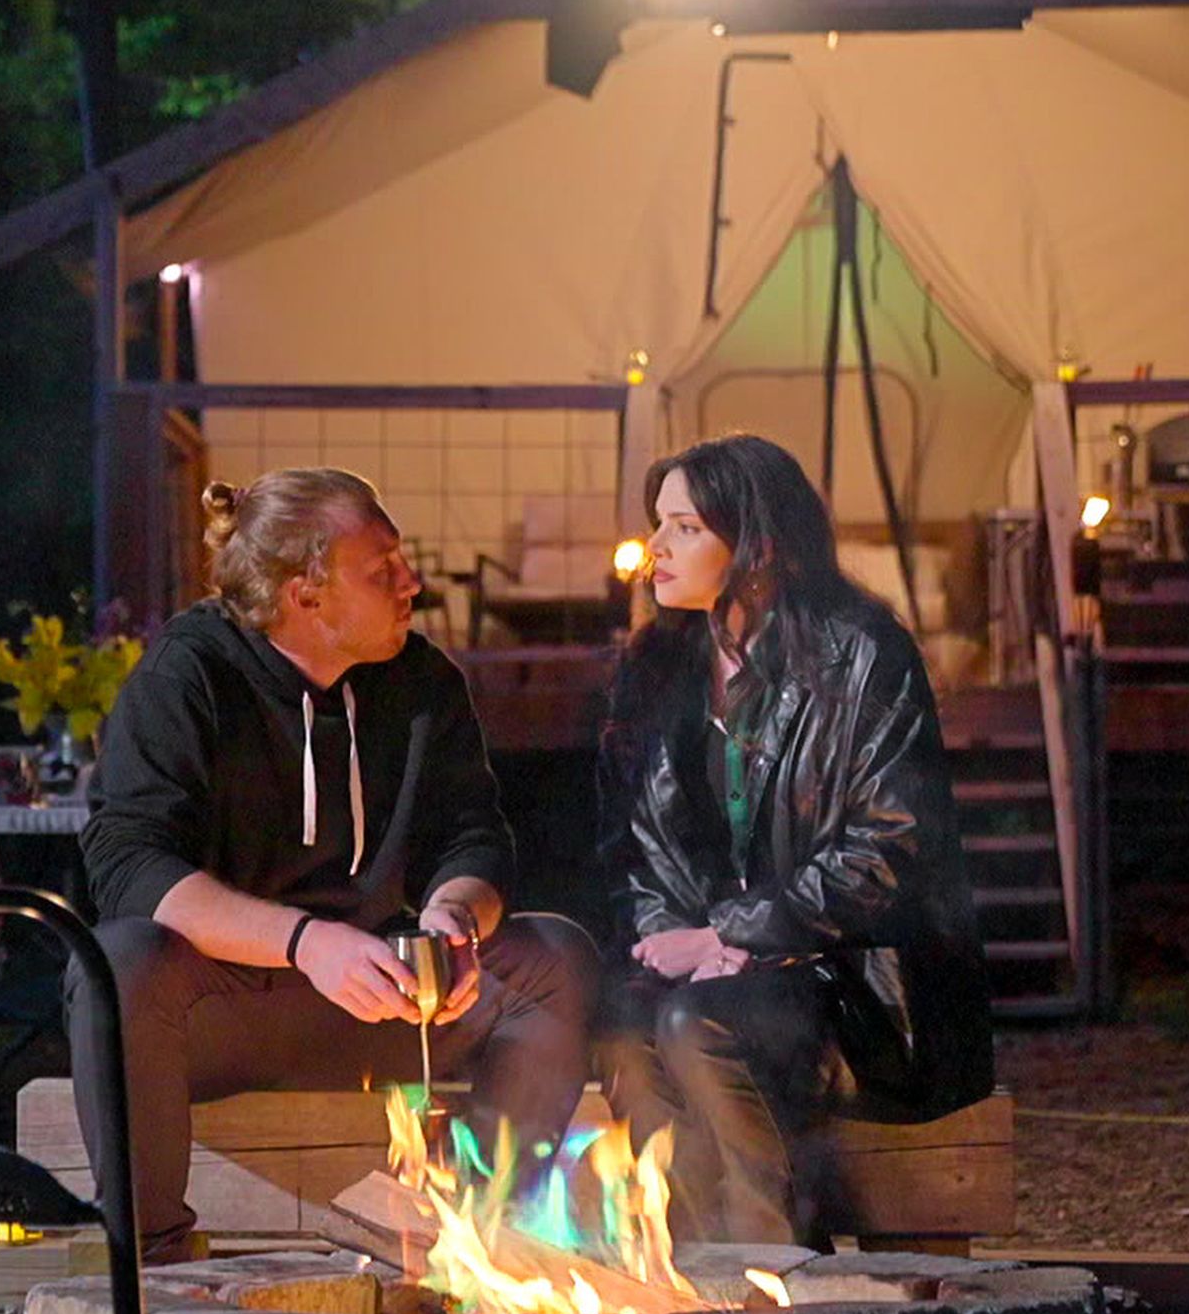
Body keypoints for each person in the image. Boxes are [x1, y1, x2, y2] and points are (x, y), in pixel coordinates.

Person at [76, 468, 602, 1262]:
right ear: (305, 594)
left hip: (389, 1003)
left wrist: (454, 916)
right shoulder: (189, 677)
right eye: (381, 568)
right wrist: (305, 943)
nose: (411, 582)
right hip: (232, 1006)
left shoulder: (423, 683)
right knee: (118, 966)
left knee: (553, 959)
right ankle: (149, 1262)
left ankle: (483, 1247)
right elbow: (129, 866)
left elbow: (475, 836)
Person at [596, 432, 994, 1242]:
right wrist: (674, 937)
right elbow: (632, 844)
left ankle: (775, 1268)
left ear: (758, 547)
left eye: (686, 528)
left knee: (695, 1024)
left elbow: (893, 847)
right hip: (718, 968)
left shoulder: (861, 655)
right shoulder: (655, 666)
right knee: (625, 1026)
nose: (656, 550)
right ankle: (688, 1271)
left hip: (859, 982)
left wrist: (737, 934)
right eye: (658, 525)